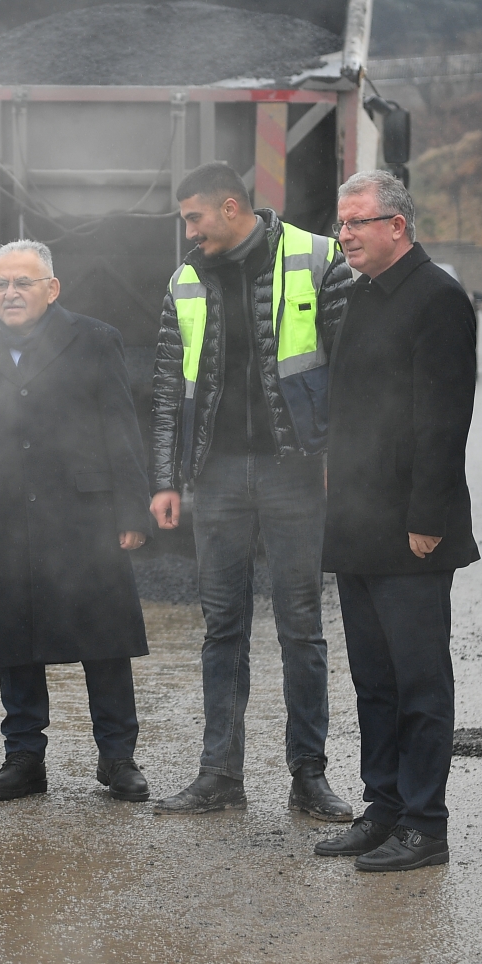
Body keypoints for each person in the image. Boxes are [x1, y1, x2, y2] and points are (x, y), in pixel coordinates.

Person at [147, 163, 356, 818]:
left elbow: (350, 368)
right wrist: (165, 480)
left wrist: (339, 460)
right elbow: (166, 392)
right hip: (216, 478)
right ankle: (220, 777)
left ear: (231, 209)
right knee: (222, 628)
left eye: (194, 218)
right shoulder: (185, 281)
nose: (188, 231)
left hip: (294, 470)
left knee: (301, 627)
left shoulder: (318, 258)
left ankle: (309, 776)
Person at [0, 240, 153, 802]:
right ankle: (23, 758)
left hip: (85, 513)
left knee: (104, 639)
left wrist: (133, 510)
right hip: (3, 516)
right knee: (16, 639)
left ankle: (118, 758)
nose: (10, 293)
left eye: (23, 283)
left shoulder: (95, 339)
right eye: (1, 284)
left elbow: (120, 428)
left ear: (51, 289)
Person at [311, 170, 477, 873]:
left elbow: (443, 419)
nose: (343, 234)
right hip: (356, 520)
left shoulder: (438, 299)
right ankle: (381, 811)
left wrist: (428, 519)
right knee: (373, 682)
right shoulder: (358, 295)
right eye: (341, 223)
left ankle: (425, 824)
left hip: (412, 527)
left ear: (396, 227)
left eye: (356, 223)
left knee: (418, 683)